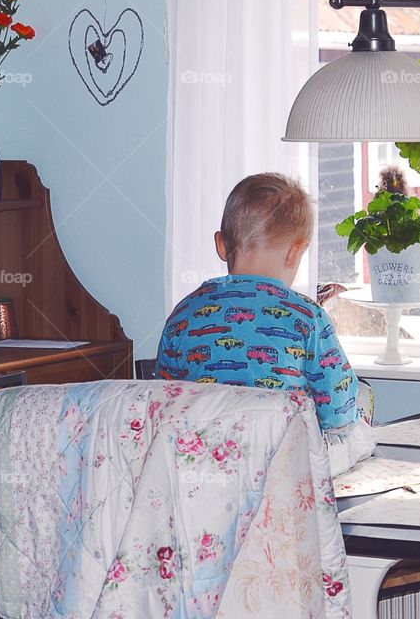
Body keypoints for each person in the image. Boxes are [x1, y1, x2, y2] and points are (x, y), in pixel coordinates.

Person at [156, 173, 374, 475]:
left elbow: (164, 399)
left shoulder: (183, 314)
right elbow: (337, 413)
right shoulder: (308, 318)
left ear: (221, 244)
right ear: (296, 251)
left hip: (203, 466)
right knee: (357, 422)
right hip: (283, 470)